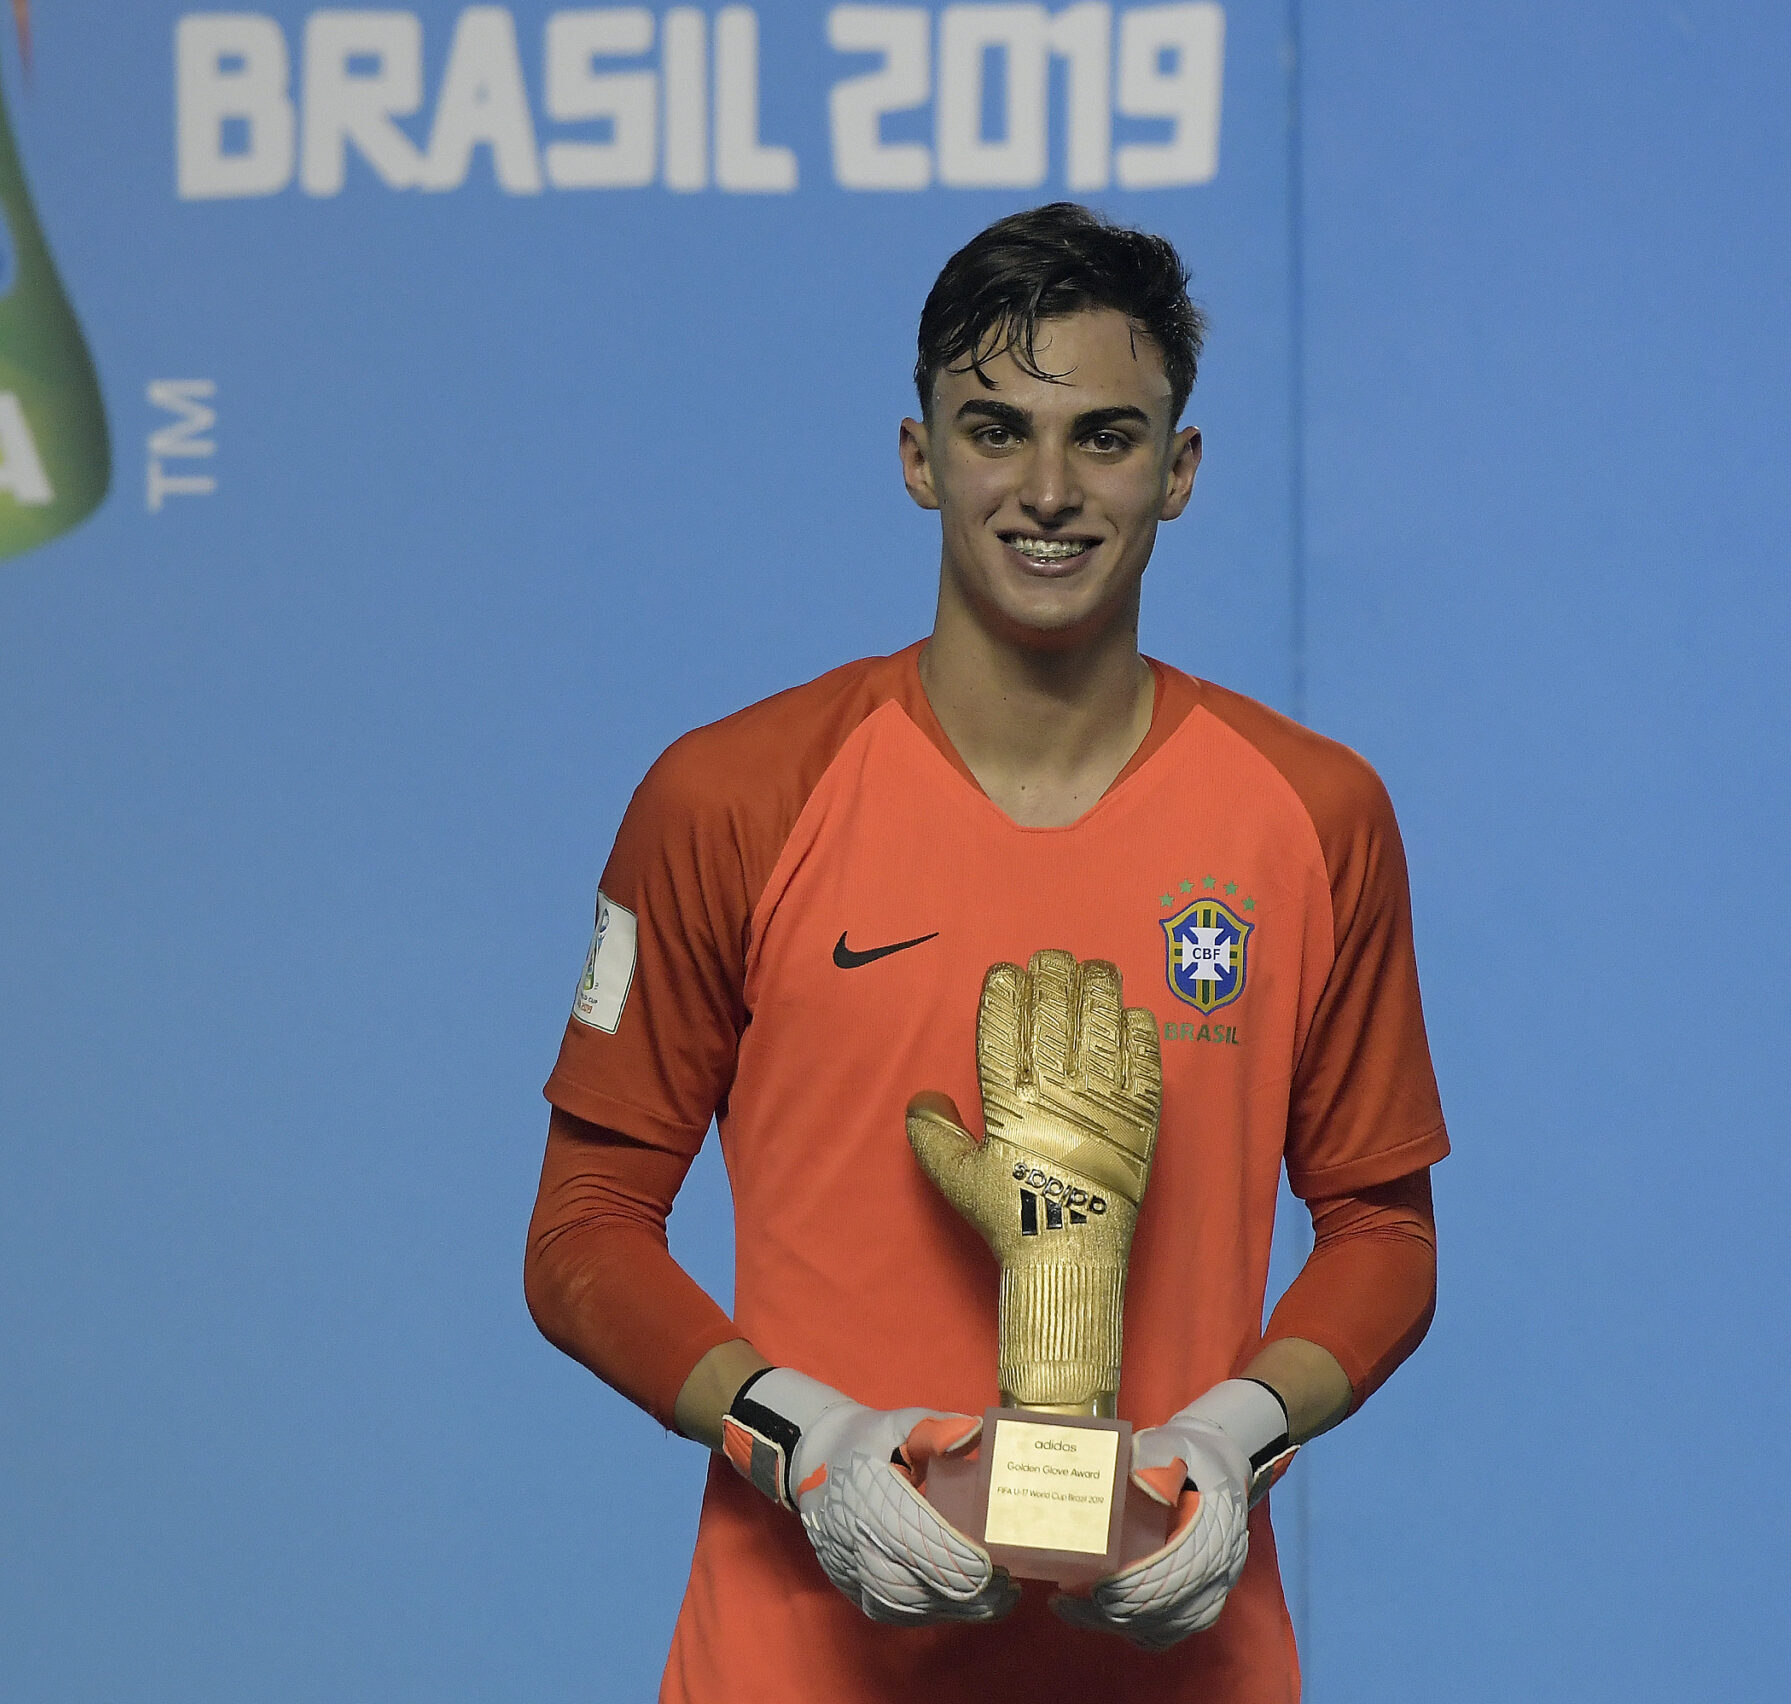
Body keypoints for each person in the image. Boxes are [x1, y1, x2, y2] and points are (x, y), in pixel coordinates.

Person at [526, 203, 1446, 1702]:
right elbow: (582, 1233)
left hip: (1176, 1665)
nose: (1046, 490)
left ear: (1180, 471)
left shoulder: (1313, 816)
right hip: (795, 1665)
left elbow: (1386, 1235)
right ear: (918, 456)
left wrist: (1232, 1441)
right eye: (995, 428)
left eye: (1105, 437)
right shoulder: (731, 798)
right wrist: (801, 1442)